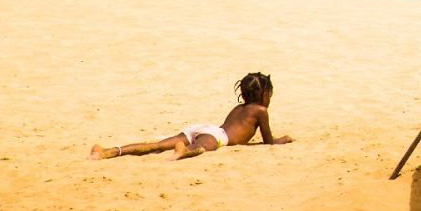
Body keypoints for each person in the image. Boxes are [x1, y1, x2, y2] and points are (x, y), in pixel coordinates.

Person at [89, 72, 293, 161]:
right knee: (198, 148)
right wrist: (283, 140)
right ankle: (183, 152)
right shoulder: (261, 111)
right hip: (219, 137)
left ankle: (107, 152)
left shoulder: (238, 108)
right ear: (264, 95)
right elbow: (268, 141)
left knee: (158, 145)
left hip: (206, 127)